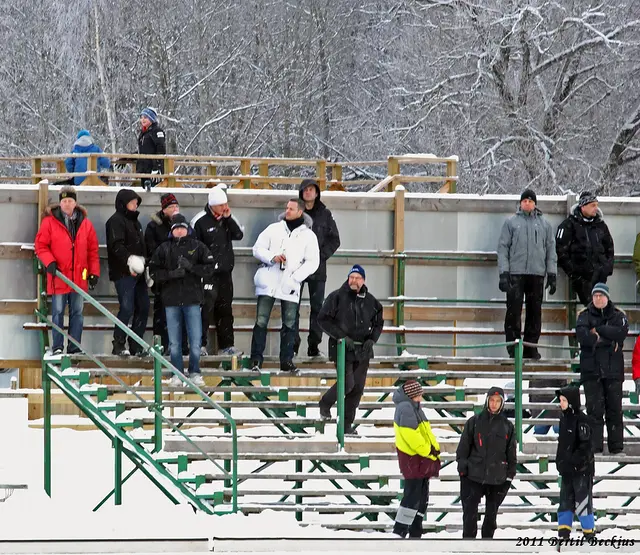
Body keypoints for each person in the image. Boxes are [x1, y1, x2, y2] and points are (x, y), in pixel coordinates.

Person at [250, 198, 319, 372]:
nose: (287, 211)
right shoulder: (273, 229)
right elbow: (257, 249)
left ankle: (286, 360)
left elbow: (313, 262)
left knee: (289, 323)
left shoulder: (309, 236)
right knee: (261, 320)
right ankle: (256, 359)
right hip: (269, 282)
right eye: (286, 208)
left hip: (290, 285)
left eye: (291, 209)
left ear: (300, 212)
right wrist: (272, 257)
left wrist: (296, 277)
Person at [317, 264, 384, 435]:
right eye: (351, 277)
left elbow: (378, 323)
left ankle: (346, 425)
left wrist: (372, 339)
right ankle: (325, 402)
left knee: (357, 389)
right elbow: (323, 319)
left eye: (357, 278)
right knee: (347, 383)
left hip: (362, 351)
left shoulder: (372, 302)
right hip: (341, 348)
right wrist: (341, 336)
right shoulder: (336, 297)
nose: (354, 280)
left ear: (363, 280)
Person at [149, 214, 214, 387]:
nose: (179, 230)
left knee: (195, 341)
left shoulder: (198, 246)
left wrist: (191, 267)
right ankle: (176, 373)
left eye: (182, 227)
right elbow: (153, 272)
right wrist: (171, 275)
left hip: (192, 300)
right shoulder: (164, 248)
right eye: (176, 228)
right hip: (171, 301)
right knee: (174, 342)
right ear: (172, 230)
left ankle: (195, 372)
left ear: (188, 229)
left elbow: (209, 268)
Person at [35, 186, 100, 355]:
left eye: (70, 201)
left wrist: (94, 272)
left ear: (75, 202)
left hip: (79, 277)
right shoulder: (49, 222)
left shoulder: (85, 223)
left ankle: (74, 347)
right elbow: (41, 246)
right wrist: (49, 262)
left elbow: (92, 250)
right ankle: (57, 347)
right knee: (57, 313)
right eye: (64, 201)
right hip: (59, 276)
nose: (67, 204)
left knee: (77, 313)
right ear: (60, 202)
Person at [497, 189, 557, 359]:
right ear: (520, 203)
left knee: (535, 313)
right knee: (513, 312)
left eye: (531, 201)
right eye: (525, 201)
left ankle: (531, 347)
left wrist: (551, 273)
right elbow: (502, 249)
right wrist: (504, 272)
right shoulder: (511, 223)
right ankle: (514, 348)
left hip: (537, 274)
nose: (528, 204)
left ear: (535, 204)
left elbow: (551, 250)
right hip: (515, 274)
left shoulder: (545, 225)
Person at [456, 386, 517, 539]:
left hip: (497, 478)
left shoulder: (507, 426)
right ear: (487, 400)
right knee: (469, 515)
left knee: (491, 517)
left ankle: (487, 546)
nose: (494, 404)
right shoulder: (474, 422)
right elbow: (463, 448)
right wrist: (463, 470)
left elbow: (511, 454)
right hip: (473, 476)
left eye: (498, 401)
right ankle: (468, 547)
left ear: (502, 403)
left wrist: (509, 475)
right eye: (492, 400)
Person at [191, 184, 244, 356]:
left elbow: (239, 235)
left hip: (225, 273)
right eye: (221, 204)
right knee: (205, 309)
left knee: (225, 309)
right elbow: (193, 247)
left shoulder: (228, 218)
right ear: (213, 204)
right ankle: (200, 344)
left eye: (225, 203)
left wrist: (228, 218)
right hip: (207, 274)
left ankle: (226, 345)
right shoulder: (200, 221)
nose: (225, 207)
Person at [576, 283, 628, 454]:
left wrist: (599, 330)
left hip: (613, 372)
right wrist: (609, 340)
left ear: (607, 297)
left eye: (601, 295)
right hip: (592, 372)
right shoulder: (583, 316)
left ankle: (616, 448)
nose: (598, 299)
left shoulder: (618, 315)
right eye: (595, 296)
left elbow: (621, 332)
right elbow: (583, 337)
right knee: (594, 411)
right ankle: (595, 448)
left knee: (614, 410)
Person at [293, 179, 341, 357]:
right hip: (296, 268)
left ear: (317, 193)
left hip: (317, 270)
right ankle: (292, 346)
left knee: (318, 309)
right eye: (304, 189)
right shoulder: (295, 211)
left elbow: (334, 239)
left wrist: (319, 257)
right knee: (292, 307)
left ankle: (314, 347)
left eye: (311, 189)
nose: (307, 192)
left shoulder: (325, 214)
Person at [392, 380, 441, 539]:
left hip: (419, 460)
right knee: (412, 497)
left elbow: (426, 432)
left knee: (421, 497)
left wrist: (434, 448)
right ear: (413, 395)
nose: (421, 396)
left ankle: (415, 528)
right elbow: (412, 436)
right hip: (414, 459)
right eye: (419, 393)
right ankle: (401, 530)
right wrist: (429, 450)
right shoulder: (406, 408)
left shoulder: (414, 407)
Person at [106, 189, 149, 356]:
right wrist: (130, 260)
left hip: (138, 273)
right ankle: (119, 343)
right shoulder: (115, 221)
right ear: (123, 203)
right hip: (123, 273)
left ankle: (136, 343)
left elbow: (142, 246)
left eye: (136, 202)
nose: (135, 204)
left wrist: (145, 266)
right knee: (127, 308)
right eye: (132, 202)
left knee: (144, 307)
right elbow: (116, 246)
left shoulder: (136, 223)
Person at [556, 191, 614, 307]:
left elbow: (610, 248)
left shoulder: (601, 225)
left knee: (603, 306)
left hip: (600, 276)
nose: (596, 208)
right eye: (592, 205)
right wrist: (574, 273)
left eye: (597, 205)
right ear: (582, 206)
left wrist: (606, 269)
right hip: (582, 278)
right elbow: (561, 251)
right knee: (592, 307)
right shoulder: (569, 225)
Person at [555, 386, 595, 541]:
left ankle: (589, 534)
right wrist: (560, 463)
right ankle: (563, 534)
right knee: (565, 502)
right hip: (566, 470)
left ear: (571, 402)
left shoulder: (583, 420)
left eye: (564, 401)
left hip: (581, 471)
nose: (561, 404)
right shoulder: (564, 418)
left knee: (583, 502)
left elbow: (585, 447)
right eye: (560, 401)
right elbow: (562, 444)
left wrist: (575, 463)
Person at [145, 193, 181, 354]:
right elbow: (152, 251)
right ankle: (160, 345)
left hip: (179, 277)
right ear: (164, 209)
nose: (175, 210)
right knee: (161, 313)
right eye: (171, 207)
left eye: (176, 206)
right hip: (161, 276)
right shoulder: (153, 226)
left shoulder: (181, 224)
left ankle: (176, 346)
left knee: (178, 314)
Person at [137, 107, 166, 191]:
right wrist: (129, 156)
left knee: (153, 195)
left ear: (152, 118)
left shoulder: (157, 131)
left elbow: (161, 150)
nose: (143, 120)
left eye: (145, 117)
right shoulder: (143, 133)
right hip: (144, 169)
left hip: (153, 170)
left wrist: (156, 167)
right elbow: (144, 150)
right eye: (141, 117)